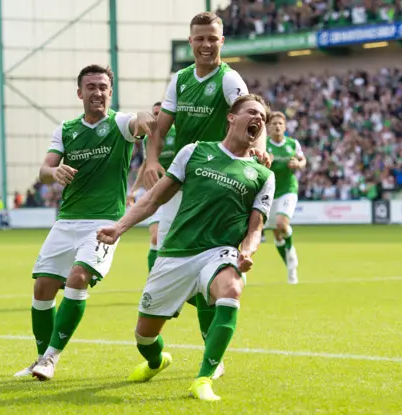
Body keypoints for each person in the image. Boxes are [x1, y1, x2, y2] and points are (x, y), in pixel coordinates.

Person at [98, 94, 275, 401]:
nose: (258, 119)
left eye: (263, 116)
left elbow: (255, 227)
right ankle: (156, 360)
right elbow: (154, 199)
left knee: (231, 289)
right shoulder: (194, 152)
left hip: (219, 252)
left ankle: (204, 377)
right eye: (251, 112)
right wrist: (119, 227)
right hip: (176, 253)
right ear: (232, 118)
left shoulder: (263, 175)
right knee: (145, 336)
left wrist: (247, 252)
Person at [142, 11, 271, 379]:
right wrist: (151, 159)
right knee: (161, 257)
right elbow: (162, 126)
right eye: (199, 38)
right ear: (191, 41)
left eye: (212, 38)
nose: (205, 45)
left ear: (222, 41)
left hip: (215, 185)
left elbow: (252, 113)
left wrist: (258, 148)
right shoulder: (180, 80)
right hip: (182, 176)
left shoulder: (229, 78)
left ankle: (211, 353)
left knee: (209, 271)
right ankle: (154, 344)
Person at [13, 64, 154, 380]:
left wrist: (145, 118)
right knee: (43, 286)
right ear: (80, 93)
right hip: (66, 222)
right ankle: (39, 359)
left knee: (77, 278)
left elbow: (140, 121)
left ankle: (51, 358)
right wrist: (55, 173)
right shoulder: (65, 129)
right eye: (91, 87)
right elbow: (44, 170)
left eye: (103, 86)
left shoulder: (119, 124)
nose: (98, 92)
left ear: (110, 91)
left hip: (103, 222)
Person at [127, 101, 176, 272]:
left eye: (160, 113)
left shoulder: (180, 134)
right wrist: (133, 190)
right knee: (155, 237)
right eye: (154, 114)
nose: (156, 117)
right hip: (155, 191)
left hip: (177, 192)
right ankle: (153, 281)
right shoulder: (149, 137)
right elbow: (146, 164)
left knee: (171, 239)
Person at [265, 112, 306, 284]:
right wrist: (264, 163)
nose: (277, 126)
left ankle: (292, 258)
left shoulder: (292, 144)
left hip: (288, 189)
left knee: (282, 224)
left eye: (280, 123)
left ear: (285, 126)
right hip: (270, 191)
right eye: (274, 123)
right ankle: (290, 266)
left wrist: (298, 164)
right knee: (277, 234)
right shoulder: (264, 145)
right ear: (269, 127)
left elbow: (303, 160)